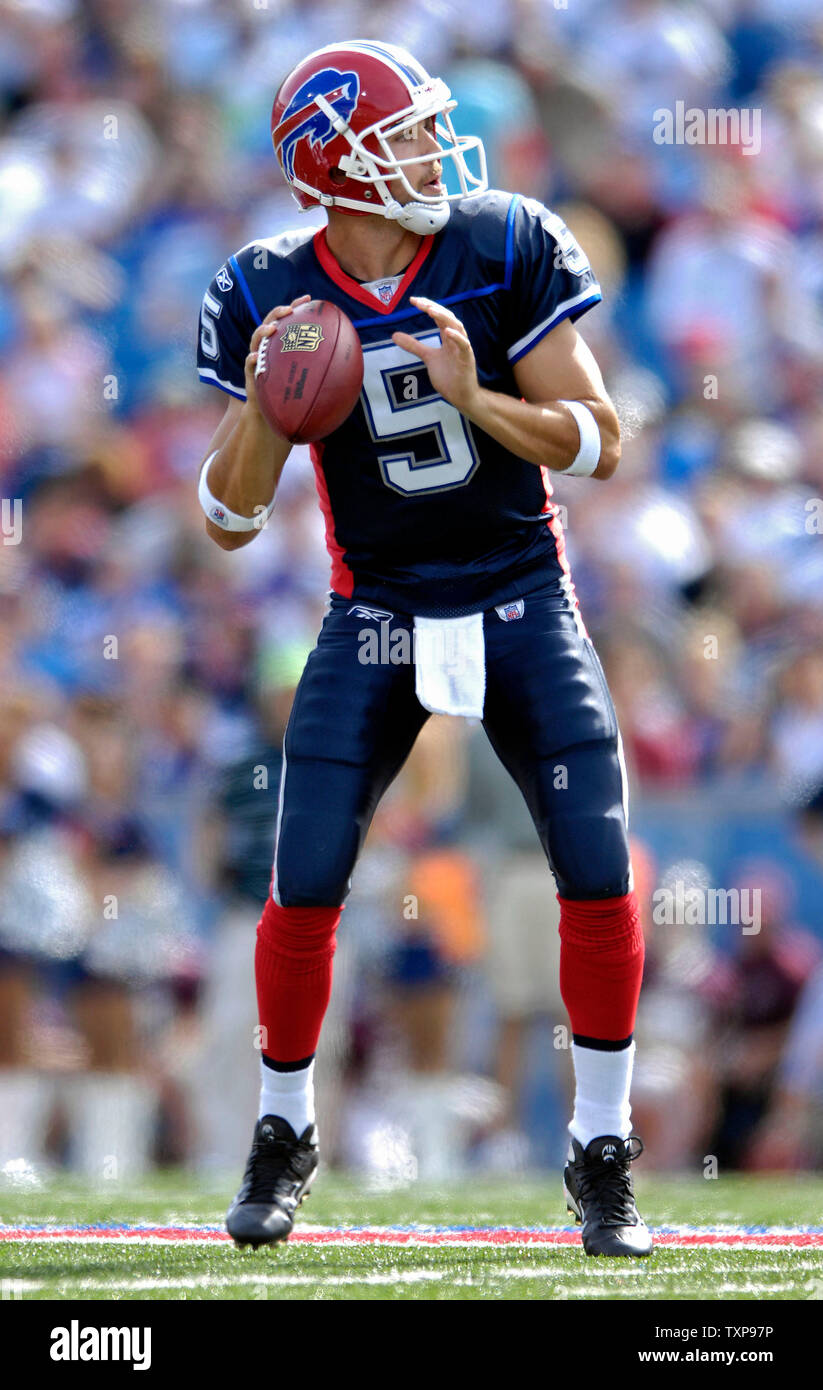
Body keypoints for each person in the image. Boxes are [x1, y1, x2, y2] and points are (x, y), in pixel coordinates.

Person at [195, 40, 651, 1257]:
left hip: (517, 594)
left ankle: (600, 1148)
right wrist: (264, 400)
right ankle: (283, 1129)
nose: (428, 154)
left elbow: (603, 441)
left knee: (598, 870)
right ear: (334, 169)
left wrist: (476, 396)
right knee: (302, 882)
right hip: (377, 609)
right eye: (401, 136)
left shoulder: (504, 241)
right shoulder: (267, 287)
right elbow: (229, 521)